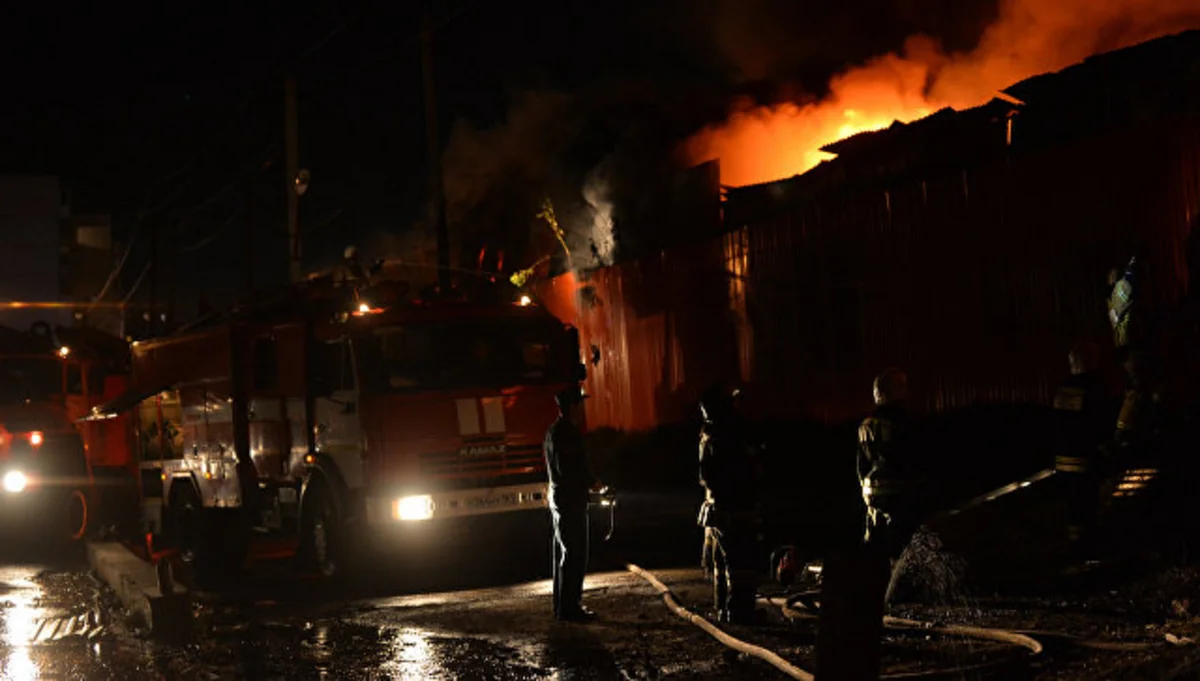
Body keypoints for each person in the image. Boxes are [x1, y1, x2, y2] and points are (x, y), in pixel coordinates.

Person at [697, 382, 763, 624]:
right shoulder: (732, 433)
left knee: (722, 563)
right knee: (741, 563)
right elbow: (748, 468)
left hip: (718, 508)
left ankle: (724, 609)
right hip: (736, 507)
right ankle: (740, 612)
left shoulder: (710, 432)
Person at [858, 367, 926, 603]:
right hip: (900, 495)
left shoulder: (866, 425)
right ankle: (900, 595)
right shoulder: (904, 423)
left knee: (876, 545)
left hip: (873, 496)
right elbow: (913, 460)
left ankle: (874, 591)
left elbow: (861, 466)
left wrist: (866, 491)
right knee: (903, 545)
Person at [544, 386, 599, 622]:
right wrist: (592, 482)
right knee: (574, 553)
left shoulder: (553, 432)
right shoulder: (568, 433)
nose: (583, 410)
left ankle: (562, 606)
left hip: (560, 498)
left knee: (563, 552)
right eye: (580, 405)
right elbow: (571, 468)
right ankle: (570, 607)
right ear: (573, 407)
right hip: (570, 500)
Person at [1052, 341, 1107, 559]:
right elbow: (1098, 423)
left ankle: (1075, 547)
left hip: (1064, 460)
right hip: (1085, 459)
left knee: (1073, 507)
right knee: (1088, 505)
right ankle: (1089, 548)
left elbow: (1057, 425)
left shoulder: (1063, 389)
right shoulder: (1092, 388)